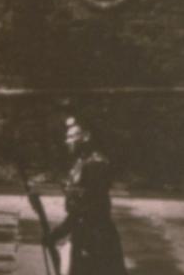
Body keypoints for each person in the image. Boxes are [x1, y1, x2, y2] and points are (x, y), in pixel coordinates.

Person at [48, 117, 128, 275]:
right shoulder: (81, 163)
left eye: (71, 136)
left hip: (97, 239)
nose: (67, 141)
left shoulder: (96, 165)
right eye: (67, 136)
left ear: (86, 136)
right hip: (83, 233)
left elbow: (87, 208)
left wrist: (58, 233)